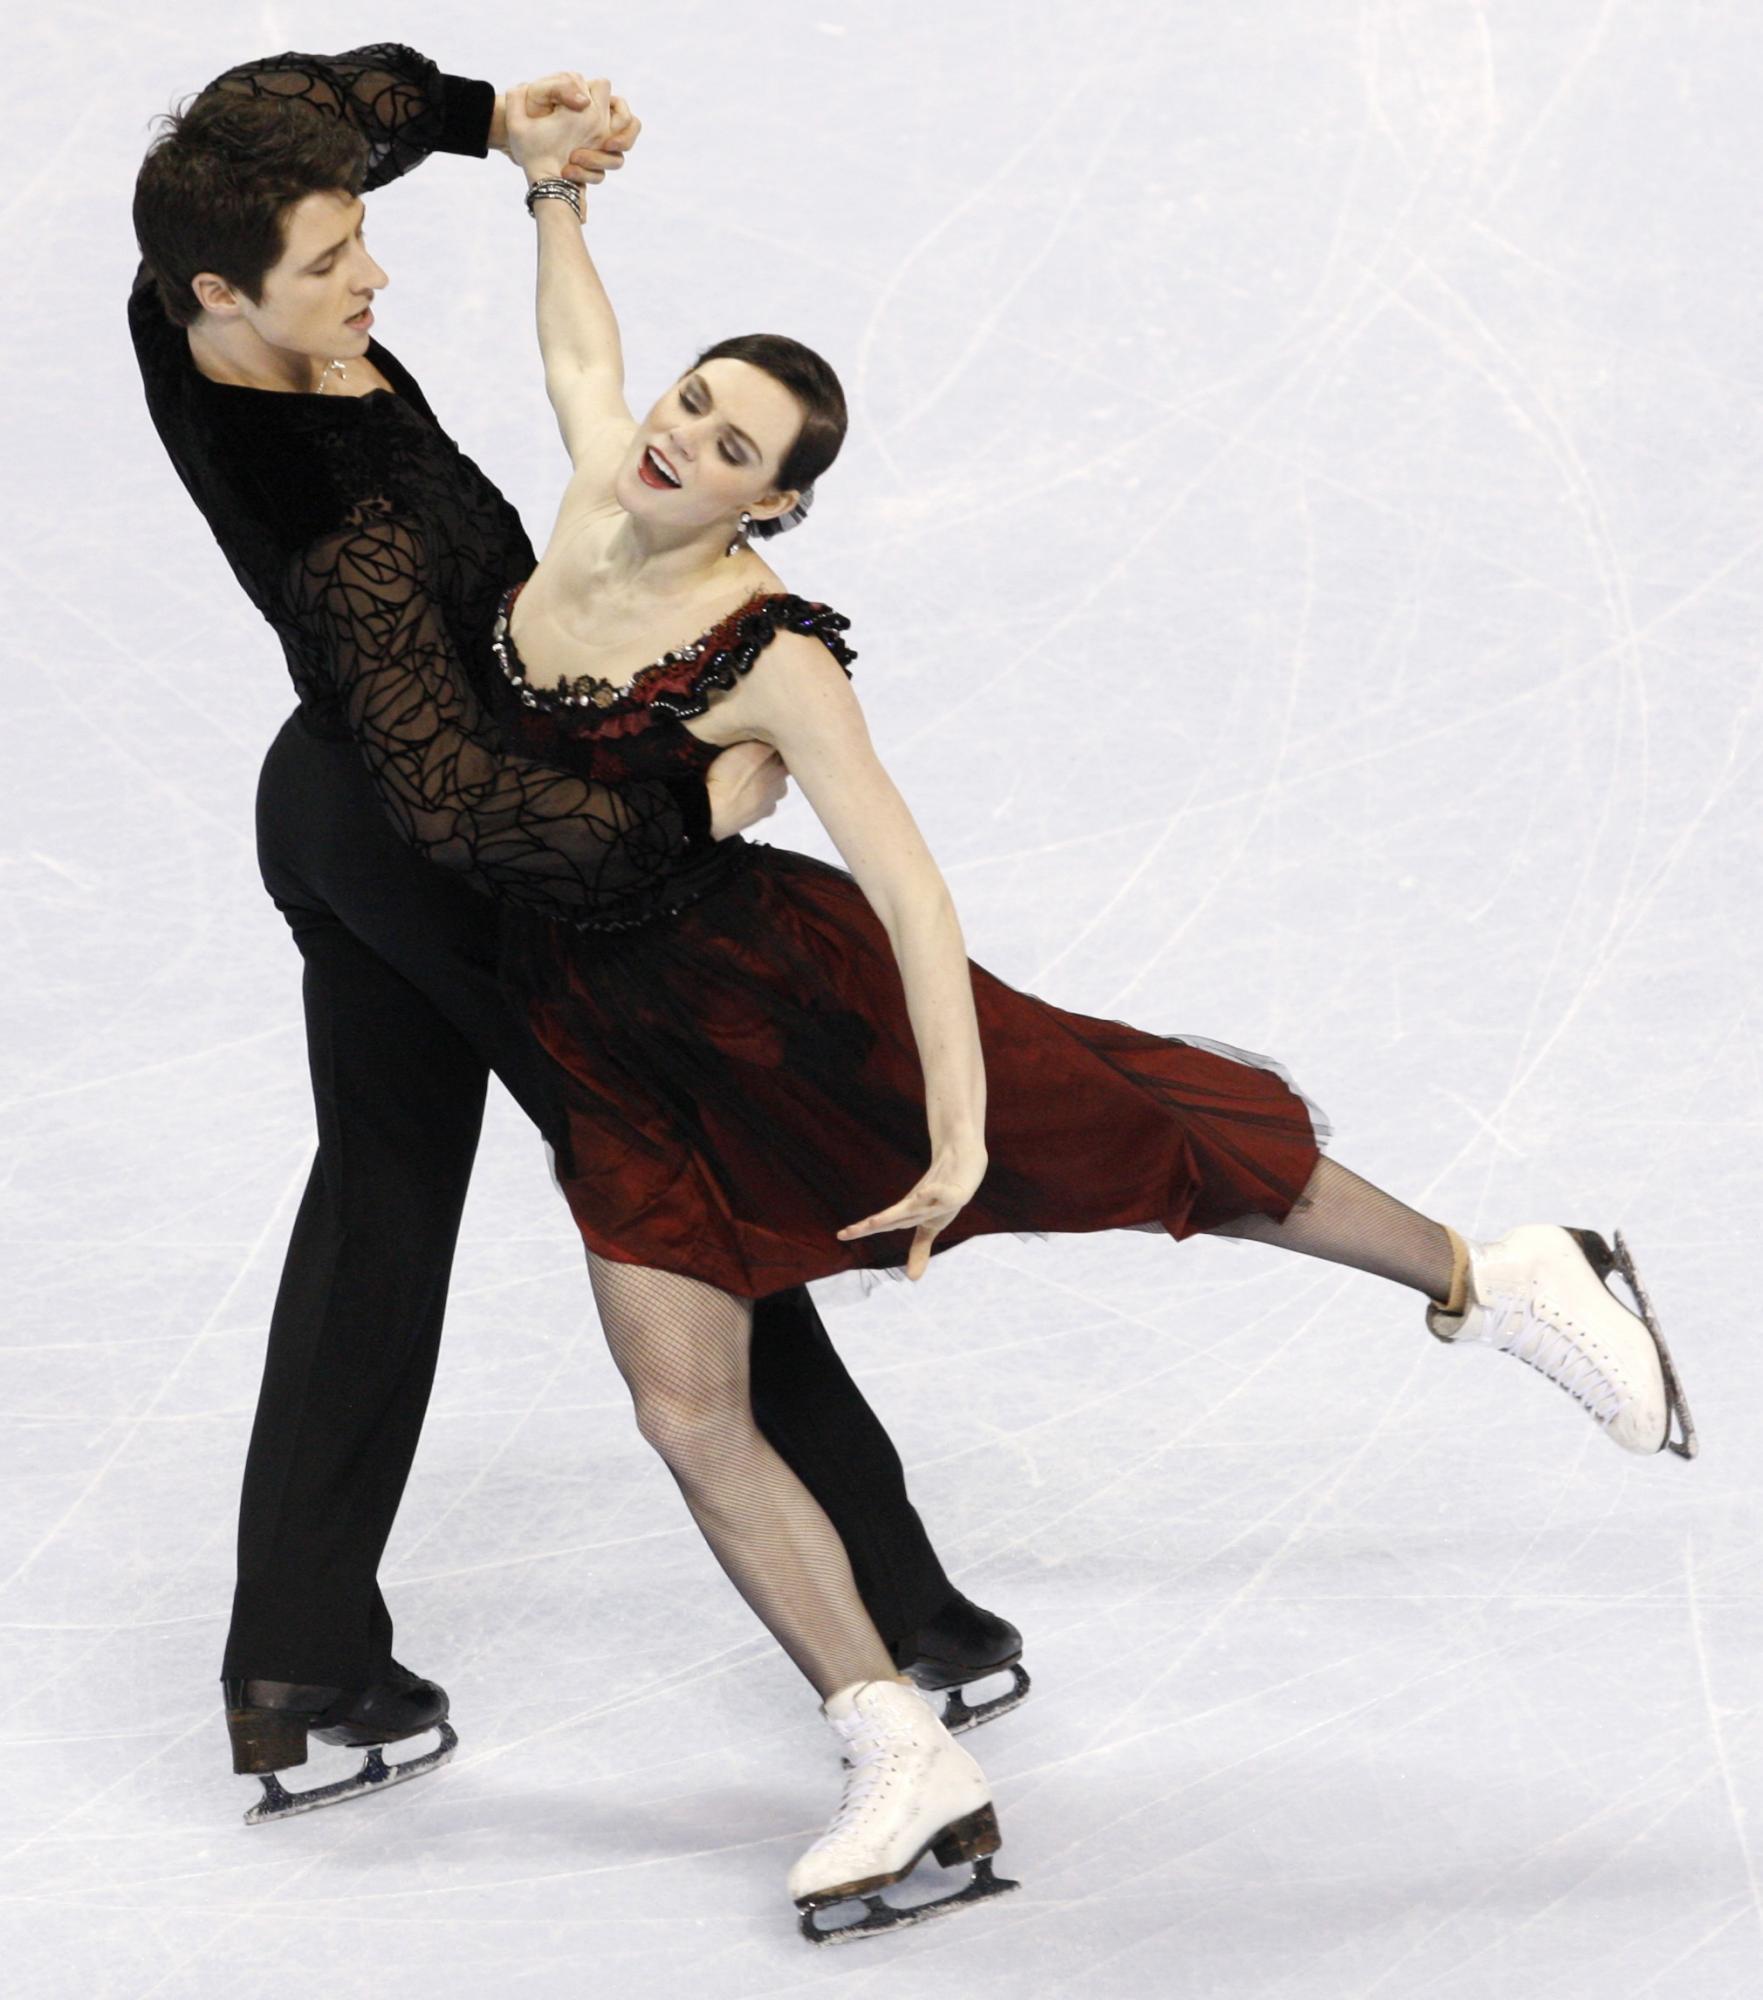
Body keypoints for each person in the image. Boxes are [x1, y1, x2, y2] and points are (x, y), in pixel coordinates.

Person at [468, 81, 1700, 1943]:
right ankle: (900, 1749)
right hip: (606, 1049)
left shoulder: (774, 653)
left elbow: (912, 883)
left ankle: (1501, 1273)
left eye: (730, 446)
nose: (679, 438)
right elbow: (580, 347)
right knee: (682, 1408)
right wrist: (554, 198)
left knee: (1134, 1135)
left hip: (806, 1005)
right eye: (689, 405)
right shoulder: (585, 491)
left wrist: (960, 1127)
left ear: (775, 501)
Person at [127, 43, 1026, 1830]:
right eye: (332, 263)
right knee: (680, 1188)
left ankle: (297, 1665)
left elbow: (303, 96)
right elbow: (472, 805)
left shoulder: (182, 285)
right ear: (224, 292)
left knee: (380, 1200)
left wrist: (479, 125)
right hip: (439, 862)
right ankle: (902, 1610)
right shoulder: (347, 531)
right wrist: (691, 810)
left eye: (359, 233)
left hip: (324, 815)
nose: (373, 272)